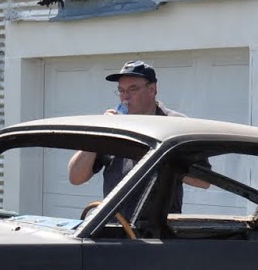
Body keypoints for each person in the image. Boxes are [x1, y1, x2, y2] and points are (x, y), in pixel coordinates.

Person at [67, 59, 207, 213]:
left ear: (152, 89)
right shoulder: (112, 126)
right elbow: (75, 178)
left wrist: (156, 159)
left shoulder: (176, 124)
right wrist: (97, 134)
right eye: (121, 90)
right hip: (115, 224)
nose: (125, 97)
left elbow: (203, 181)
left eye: (132, 90)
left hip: (159, 225)